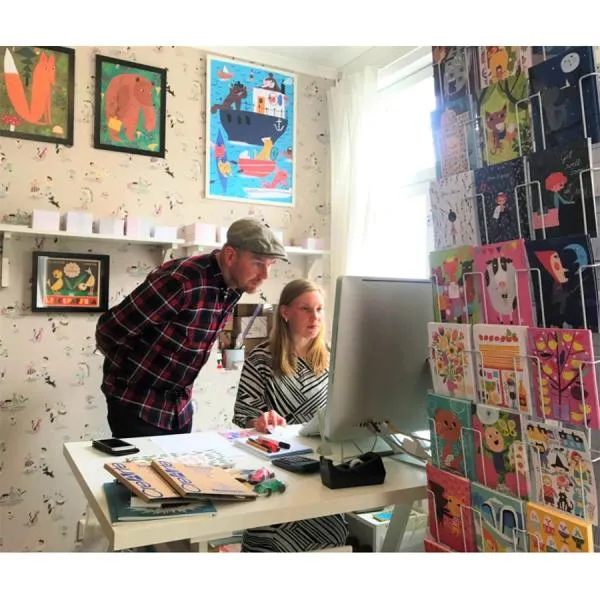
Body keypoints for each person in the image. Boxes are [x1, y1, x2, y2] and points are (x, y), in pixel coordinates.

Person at [95, 218, 287, 438]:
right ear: (230, 256)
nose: (265, 275)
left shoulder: (234, 286)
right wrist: (129, 375)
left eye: (270, 264)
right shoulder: (181, 281)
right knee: (143, 463)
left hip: (179, 408)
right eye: (258, 263)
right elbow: (109, 330)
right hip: (136, 403)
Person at [233, 279, 349, 552]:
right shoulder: (261, 358)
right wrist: (259, 420)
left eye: (319, 309)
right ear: (285, 312)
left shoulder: (334, 357)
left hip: (322, 468)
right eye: (305, 309)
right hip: (276, 469)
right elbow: (244, 413)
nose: (315, 317)